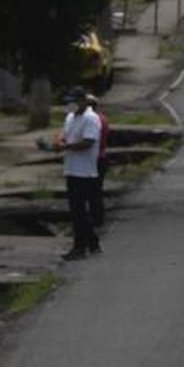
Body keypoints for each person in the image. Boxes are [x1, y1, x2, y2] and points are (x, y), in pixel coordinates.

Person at [57, 87, 102, 259]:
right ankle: (92, 242)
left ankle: (79, 248)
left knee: (79, 212)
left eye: (73, 102)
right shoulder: (71, 117)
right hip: (71, 169)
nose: (71, 105)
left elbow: (88, 142)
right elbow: (64, 134)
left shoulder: (91, 118)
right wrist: (60, 141)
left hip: (85, 172)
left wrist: (66, 146)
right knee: (77, 211)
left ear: (83, 101)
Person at [86, 92, 109, 250]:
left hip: (95, 158)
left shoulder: (95, 120)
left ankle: (96, 219)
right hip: (100, 157)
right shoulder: (101, 118)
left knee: (93, 191)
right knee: (96, 190)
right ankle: (97, 217)